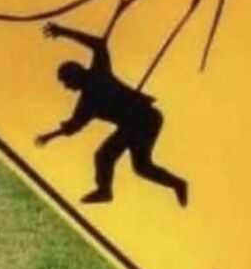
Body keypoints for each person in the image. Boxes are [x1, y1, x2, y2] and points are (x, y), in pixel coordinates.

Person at [35, 21, 188, 206]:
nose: (67, 88)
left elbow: (98, 44)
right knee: (140, 167)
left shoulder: (98, 75)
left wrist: (64, 31)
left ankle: (105, 191)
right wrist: (49, 136)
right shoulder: (86, 103)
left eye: (67, 82)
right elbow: (73, 127)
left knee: (106, 156)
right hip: (137, 123)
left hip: (144, 118)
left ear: (75, 74)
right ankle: (177, 184)